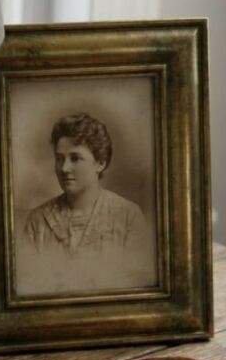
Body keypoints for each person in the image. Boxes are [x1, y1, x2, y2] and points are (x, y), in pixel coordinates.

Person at [19, 113, 154, 293]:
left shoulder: (128, 216)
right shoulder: (37, 221)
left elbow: (141, 289)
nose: (64, 168)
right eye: (59, 158)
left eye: (75, 158)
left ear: (100, 163)